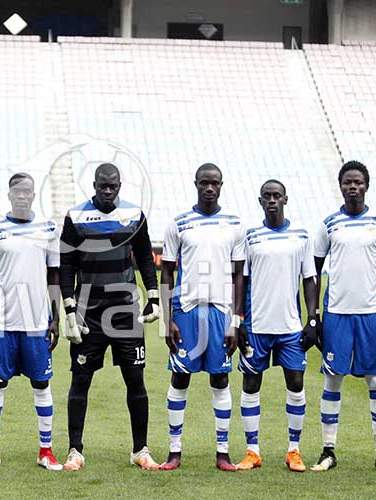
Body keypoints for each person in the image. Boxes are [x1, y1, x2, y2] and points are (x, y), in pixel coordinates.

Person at [59, 163, 162, 471]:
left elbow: (144, 257)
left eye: (113, 186)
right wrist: (68, 310)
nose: (107, 191)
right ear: (94, 185)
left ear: (120, 186)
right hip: (88, 313)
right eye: (102, 186)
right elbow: (67, 265)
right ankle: (75, 450)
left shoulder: (134, 215)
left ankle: (140, 450)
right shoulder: (75, 218)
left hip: (126, 312)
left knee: (136, 381)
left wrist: (154, 296)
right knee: (80, 380)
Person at [311, 161, 376, 473]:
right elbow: (314, 272)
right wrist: (314, 316)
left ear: (366, 185)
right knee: (333, 380)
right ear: (341, 185)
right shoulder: (329, 224)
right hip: (336, 315)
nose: (352, 187)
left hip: (370, 316)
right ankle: (328, 450)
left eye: (358, 182)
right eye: (347, 182)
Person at [0, 173, 62, 471]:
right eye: (17, 191)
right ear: (9, 195)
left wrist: (56, 317)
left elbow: (54, 275)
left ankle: (46, 451)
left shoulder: (49, 229)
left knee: (41, 384)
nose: (22, 195)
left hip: (37, 323)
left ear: (34, 195)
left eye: (27, 191)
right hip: (3, 324)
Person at [157, 164, 242, 472]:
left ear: (222, 185)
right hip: (186, 310)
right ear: (195, 184)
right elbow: (166, 271)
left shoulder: (234, 224)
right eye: (204, 183)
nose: (210, 188)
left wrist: (237, 320)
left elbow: (239, 275)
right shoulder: (179, 223)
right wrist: (167, 319)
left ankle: (222, 452)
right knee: (180, 378)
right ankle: (174, 451)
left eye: (215, 183)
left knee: (220, 379)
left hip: (220, 312)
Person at [237, 179, 320, 473]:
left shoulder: (301, 236)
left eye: (277, 196)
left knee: (296, 384)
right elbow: (241, 280)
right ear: (260, 201)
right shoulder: (250, 236)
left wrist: (312, 318)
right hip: (257, 325)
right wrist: (239, 320)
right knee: (251, 383)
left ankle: (294, 450)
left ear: (286, 199)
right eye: (267, 196)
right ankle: (252, 450)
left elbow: (309, 278)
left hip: (290, 327)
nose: (272, 200)